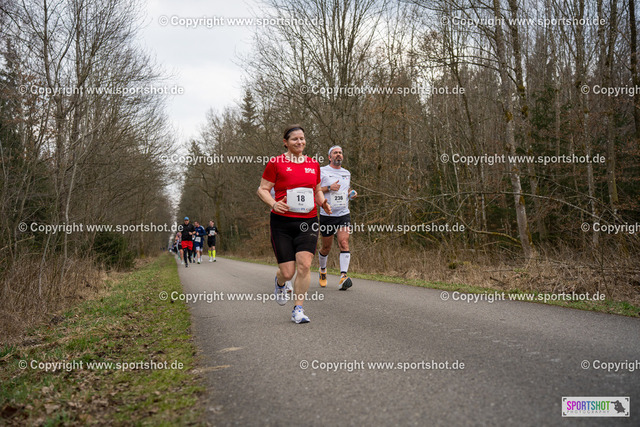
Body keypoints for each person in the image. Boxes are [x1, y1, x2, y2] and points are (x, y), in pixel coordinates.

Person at [257, 124, 331, 323]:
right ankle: (280, 282)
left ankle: (298, 309)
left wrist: (323, 202)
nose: (300, 142)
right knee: (288, 272)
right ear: (285, 142)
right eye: (294, 139)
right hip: (282, 222)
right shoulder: (276, 163)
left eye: (302, 138)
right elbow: (262, 189)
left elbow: (317, 190)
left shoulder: (313, 164)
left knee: (305, 265)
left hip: (308, 220)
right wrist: (273, 203)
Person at [318, 146, 357, 290]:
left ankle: (343, 277)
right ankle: (323, 270)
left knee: (344, 243)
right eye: (335, 153)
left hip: (343, 213)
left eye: (340, 153)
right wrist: (329, 188)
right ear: (330, 157)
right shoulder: (322, 171)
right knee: (326, 248)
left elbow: (346, 189)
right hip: (327, 214)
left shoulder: (346, 173)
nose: (338, 155)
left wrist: (351, 193)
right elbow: (315, 190)